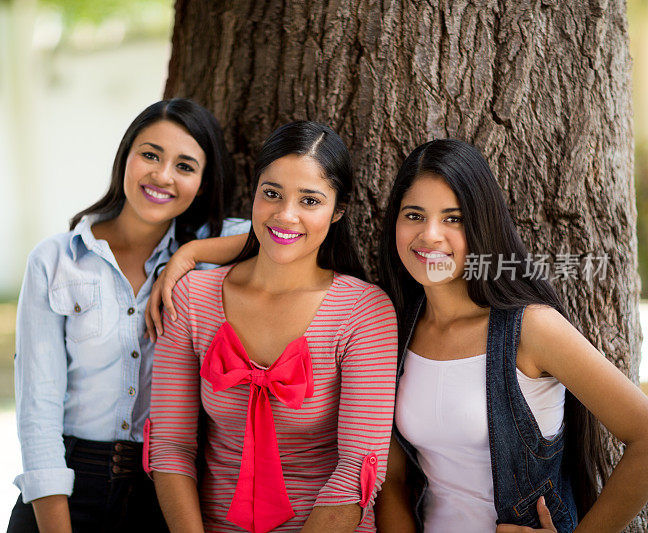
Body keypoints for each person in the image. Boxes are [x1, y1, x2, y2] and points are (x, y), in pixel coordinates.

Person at [374, 139, 648, 533]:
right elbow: (393, 482)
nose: (430, 235)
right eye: (414, 215)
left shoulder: (531, 329)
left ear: (482, 223)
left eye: (454, 218)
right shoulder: (396, 328)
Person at [6, 98, 251, 533]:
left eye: (185, 166)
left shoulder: (212, 255)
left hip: (164, 494)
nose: (162, 175)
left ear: (203, 180)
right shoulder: (56, 261)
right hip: (64, 489)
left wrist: (189, 254)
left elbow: (284, 233)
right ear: (126, 157)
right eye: (150, 154)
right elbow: (37, 412)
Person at [145, 121, 399, 533]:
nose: (285, 215)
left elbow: (358, 468)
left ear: (338, 211)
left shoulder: (363, 312)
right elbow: (170, 447)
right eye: (272, 194)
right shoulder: (192, 298)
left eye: (310, 200)